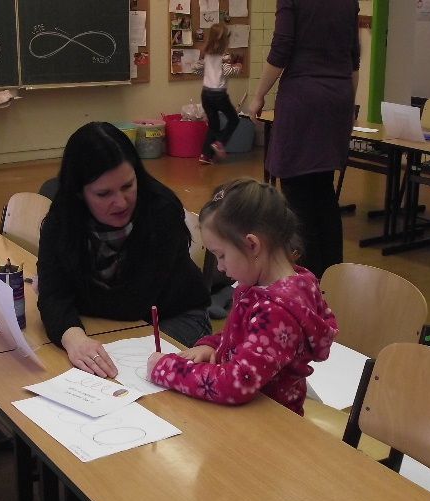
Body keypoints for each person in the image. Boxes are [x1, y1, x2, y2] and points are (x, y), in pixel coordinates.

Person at [146, 178, 337, 415]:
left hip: (269, 422)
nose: (220, 267)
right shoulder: (270, 285)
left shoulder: (277, 311)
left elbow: (236, 383)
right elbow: (243, 335)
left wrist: (167, 369)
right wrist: (212, 345)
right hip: (251, 413)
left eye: (221, 255)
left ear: (252, 245)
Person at [38, 122, 211, 378]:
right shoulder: (63, 218)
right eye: (103, 194)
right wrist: (74, 338)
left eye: (128, 186)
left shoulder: (161, 211)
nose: (120, 202)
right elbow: (52, 294)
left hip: (174, 318)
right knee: (74, 369)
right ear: (79, 193)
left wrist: (72, 298)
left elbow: (133, 303)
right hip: (109, 324)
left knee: (128, 378)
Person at [246, 0, 360, 279]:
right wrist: (347, 104)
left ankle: (307, 280)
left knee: (297, 192)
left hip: (304, 98)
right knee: (323, 189)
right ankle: (331, 278)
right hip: (338, 96)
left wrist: (259, 95)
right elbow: (353, 58)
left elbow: (281, 47)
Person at [194, 23, 242, 165]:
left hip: (206, 94)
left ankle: (205, 155)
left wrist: (208, 73)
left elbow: (196, 69)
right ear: (225, 39)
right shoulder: (224, 56)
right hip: (219, 95)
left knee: (214, 125)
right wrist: (238, 67)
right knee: (234, 119)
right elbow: (227, 72)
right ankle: (220, 142)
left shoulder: (206, 54)